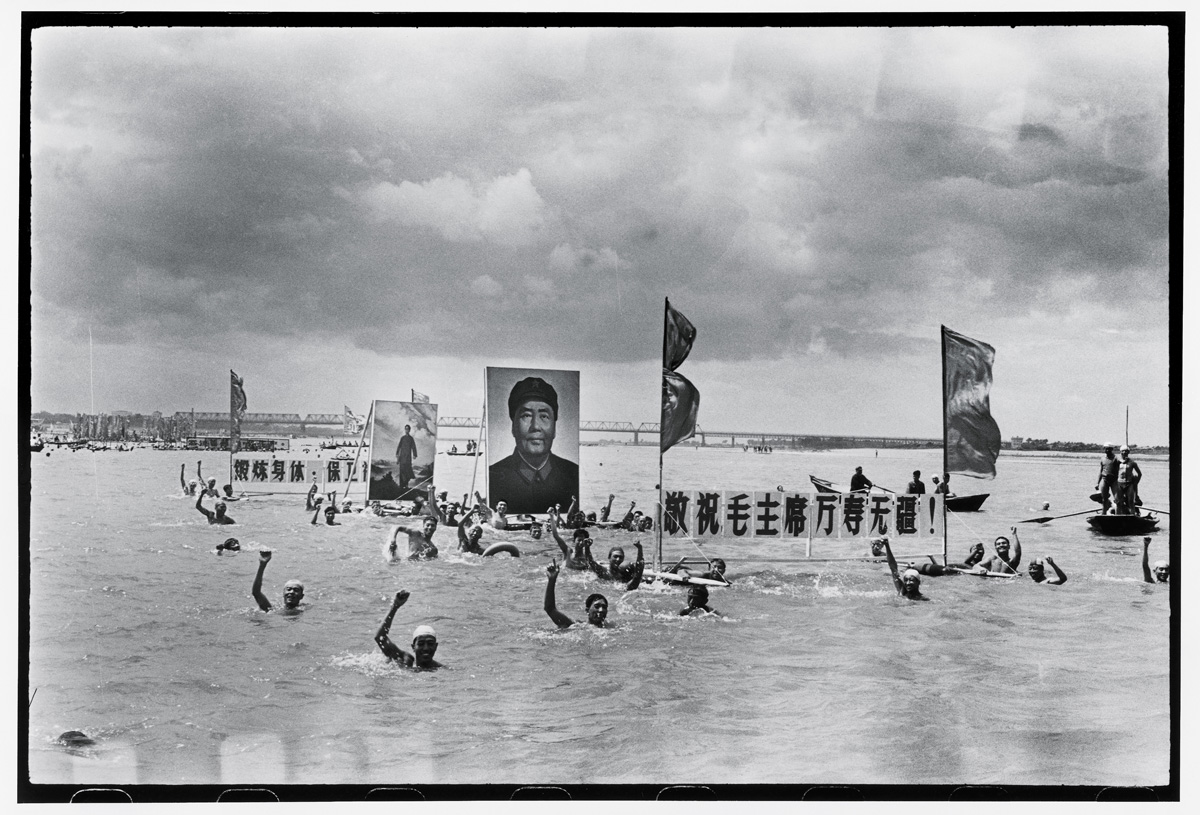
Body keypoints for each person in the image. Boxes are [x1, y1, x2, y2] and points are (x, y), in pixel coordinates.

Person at [488, 376, 579, 514]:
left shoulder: (573, 475)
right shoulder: (493, 477)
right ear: (513, 427)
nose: (535, 426)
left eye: (544, 416)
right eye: (526, 416)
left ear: (554, 428)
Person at [543, 560, 630, 629]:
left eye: (604, 607)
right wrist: (552, 580)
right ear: (587, 610)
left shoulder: (613, 628)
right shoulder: (576, 626)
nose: (601, 610)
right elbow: (550, 609)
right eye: (597, 606)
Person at [374, 590, 443, 670]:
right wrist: (395, 606)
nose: (426, 648)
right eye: (421, 644)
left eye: (430, 644)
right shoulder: (406, 660)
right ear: (413, 647)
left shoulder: (441, 669)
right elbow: (380, 638)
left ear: (436, 646)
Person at [1115, 445, 1142, 515]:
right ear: (1120, 452)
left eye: (1126, 451)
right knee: (1118, 502)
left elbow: (1139, 473)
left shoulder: (1132, 462)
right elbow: (1113, 472)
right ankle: (1117, 516)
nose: (1124, 453)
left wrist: (1136, 482)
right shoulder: (1117, 462)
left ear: (1128, 452)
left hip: (1129, 484)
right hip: (1119, 484)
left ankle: (1132, 515)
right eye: (1123, 451)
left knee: (1130, 501)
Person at [1095, 444, 1119, 514]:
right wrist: (1097, 483)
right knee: (1104, 499)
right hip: (1104, 480)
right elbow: (1101, 471)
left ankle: (1118, 514)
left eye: (1109, 449)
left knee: (1117, 499)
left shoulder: (1116, 458)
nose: (1108, 450)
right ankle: (1104, 513)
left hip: (1114, 481)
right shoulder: (1102, 458)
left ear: (1112, 449)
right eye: (1106, 449)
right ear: (1104, 449)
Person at [395, 424, 418, 491]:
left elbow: (414, 447)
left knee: (407, 472)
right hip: (402, 457)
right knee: (402, 471)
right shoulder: (402, 438)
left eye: (407, 429)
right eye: (405, 429)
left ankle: (406, 485)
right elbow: (399, 446)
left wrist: (414, 454)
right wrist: (397, 454)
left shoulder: (411, 439)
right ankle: (401, 486)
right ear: (405, 430)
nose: (406, 430)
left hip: (408, 458)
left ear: (409, 430)